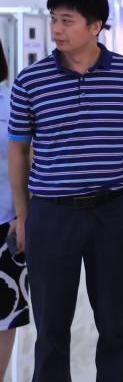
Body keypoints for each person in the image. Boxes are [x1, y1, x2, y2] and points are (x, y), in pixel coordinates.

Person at [7, 0, 123, 382]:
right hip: (51, 214)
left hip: (112, 213)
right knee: (51, 327)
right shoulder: (31, 80)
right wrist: (23, 215)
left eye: (67, 20)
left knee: (115, 322)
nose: (57, 29)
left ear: (95, 26)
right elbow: (18, 150)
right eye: (54, 19)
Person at [0, 40, 30, 378]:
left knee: (3, 312)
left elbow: (30, 161)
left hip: (5, 223)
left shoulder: (14, 102)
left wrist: (23, 216)